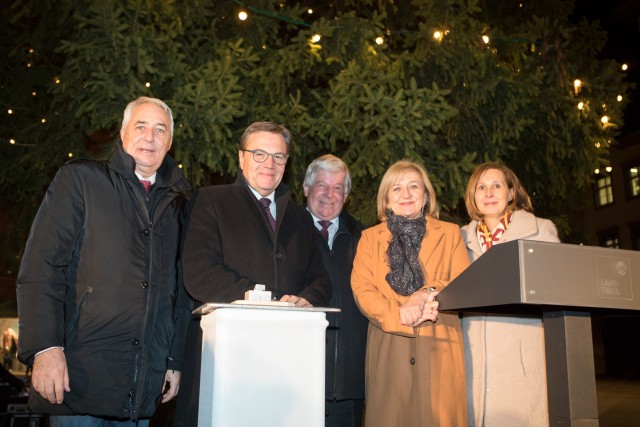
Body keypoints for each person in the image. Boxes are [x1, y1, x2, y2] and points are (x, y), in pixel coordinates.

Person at [16, 96, 192, 426]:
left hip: (141, 388)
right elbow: (43, 267)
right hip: (77, 380)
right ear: (123, 133)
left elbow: (179, 294)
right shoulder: (81, 180)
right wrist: (44, 348)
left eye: (160, 130)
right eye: (140, 126)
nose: (149, 137)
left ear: (170, 142)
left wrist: (173, 359)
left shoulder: (180, 205)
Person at [173, 121, 331, 427]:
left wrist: (305, 299)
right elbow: (199, 272)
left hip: (288, 366)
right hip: (225, 360)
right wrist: (269, 301)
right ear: (241, 158)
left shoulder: (300, 216)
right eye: (259, 154)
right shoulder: (211, 200)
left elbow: (321, 279)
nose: (269, 164)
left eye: (278, 156)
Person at [351, 160, 470, 427]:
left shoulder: (451, 234)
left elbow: (462, 281)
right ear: (386, 199)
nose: (405, 195)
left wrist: (425, 293)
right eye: (396, 188)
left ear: (426, 195)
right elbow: (362, 289)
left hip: (439, 346)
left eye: (413, 186)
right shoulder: (369, 238)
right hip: (389, 347)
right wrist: (399, 314)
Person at [460, 161, 560, 427]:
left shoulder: (540, 230)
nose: (489, 193)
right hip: (475, 365)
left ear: (511, 192)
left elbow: (556, 290)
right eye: (481, 187)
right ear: (473, 196)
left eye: (496, 186)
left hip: (522, 360)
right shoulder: (459, 239)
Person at [303, 154, 368, 427]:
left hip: (349, 386)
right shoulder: (286, 233)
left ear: (347, 194)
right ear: (306, 188)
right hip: (299, 382)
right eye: (322, 185)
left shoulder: (364, 238)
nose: (330, 195)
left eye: (338, 187)